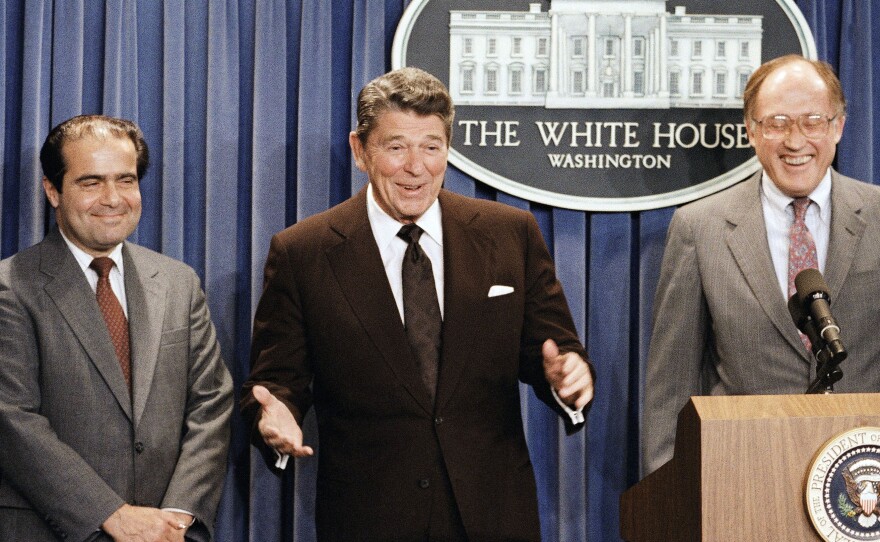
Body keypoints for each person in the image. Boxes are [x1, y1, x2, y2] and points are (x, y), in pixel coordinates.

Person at [240, 67, 594, 541]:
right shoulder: (303, 252)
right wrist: (273, 413)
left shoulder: (509, 234)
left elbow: (553, 350)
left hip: (493, 515)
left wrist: (567, 378)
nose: (416, 166)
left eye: (431, 146)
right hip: (370, 520)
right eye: (396, 147)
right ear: (360, 150)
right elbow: (275, 380)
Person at [0, 115, 233, 541]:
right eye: (91, 183)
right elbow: (11, 418)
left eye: (126, 180)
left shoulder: (178, 282)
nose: (112, 198)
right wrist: (111, 514)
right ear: (53, 190)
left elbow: (211, 405)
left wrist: (178, 516)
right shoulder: (11, 287)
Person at [643, 54, 880, 474]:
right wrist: (671, 500)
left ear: (838, 127)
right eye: (777, 123)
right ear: (751, 131)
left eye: (812, 121)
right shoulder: (700, 228)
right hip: (742, 479)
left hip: (863, 482)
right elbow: (671, 389)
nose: (795, 140)